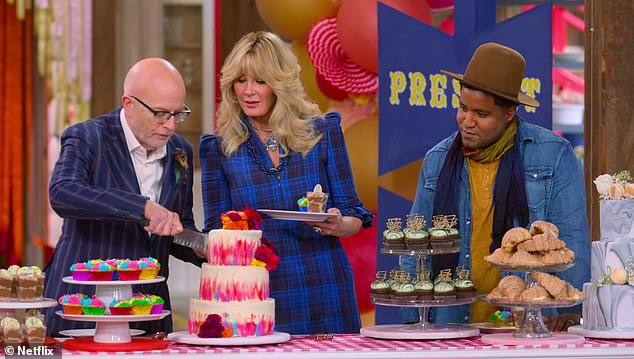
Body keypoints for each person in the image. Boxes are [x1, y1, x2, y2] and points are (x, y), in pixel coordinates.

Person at [400, 42, 590, 332]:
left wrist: (573, 311)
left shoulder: (553, 154)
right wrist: (414, 320)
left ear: (509, 113)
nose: (467, 121)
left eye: (482, 114)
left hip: (530, 321)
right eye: (463, 108)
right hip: (451, 324)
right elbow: (417, 245)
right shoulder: (438, 160)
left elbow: (572, 243)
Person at [200, 31, 374, 335]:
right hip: (259, 291)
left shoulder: (323, 132)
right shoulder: (218, 148)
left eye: (260, 81)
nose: (249, 91)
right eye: (241, 81)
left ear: (279, 83)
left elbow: (355, 214)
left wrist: (337, 223)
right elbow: (216, 230)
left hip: (324, 281)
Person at [44, 58, 204, 336]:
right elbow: (63, 192)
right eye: (161, 113)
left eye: (178, 114)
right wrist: (141, 207)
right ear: (128, 104)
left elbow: (176, 228)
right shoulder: (88, 137)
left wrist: (200, 246)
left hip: (149, 312)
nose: (170, 126)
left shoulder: (180, 152)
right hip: (83, 308)